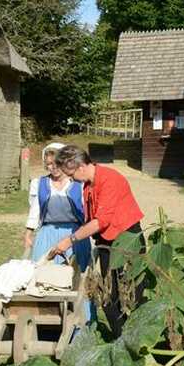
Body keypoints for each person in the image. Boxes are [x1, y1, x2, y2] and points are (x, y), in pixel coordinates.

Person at [51, 145, 145, 336]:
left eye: (70, 173)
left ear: (80, 167)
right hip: (107, 242)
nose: (69, 178)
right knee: (110, 295)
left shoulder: (110, 179)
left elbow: (102, 221)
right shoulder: (88, 184)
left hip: (127, 239)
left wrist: (70, 240)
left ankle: (142, 340)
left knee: (133, 293)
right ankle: (122, 339)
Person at [24, 142, 93, 322]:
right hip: (48, 234)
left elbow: (87, 210)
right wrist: (29, 233)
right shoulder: (40, 184)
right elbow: (35, 210)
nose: (52, 168)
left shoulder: (78, 183)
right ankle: (46, 321)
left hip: (74, 234)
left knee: (77, 278)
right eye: (48, 164)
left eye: (55, 164)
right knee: (43, 278)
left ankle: (81, 320)